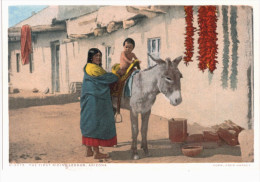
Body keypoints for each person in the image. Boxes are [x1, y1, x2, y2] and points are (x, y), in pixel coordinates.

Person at [80, 48, 119, 159]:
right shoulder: (94, 69)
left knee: (88, 122)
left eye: (100, 56)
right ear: (91, 57)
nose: (98, 58)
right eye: (96, 56)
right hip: (94, 100)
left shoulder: (89, 67)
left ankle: (88, 150)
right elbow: (106, 78)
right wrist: (116, 75)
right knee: (96, 123)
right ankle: (97, 153)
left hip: (87, 99)